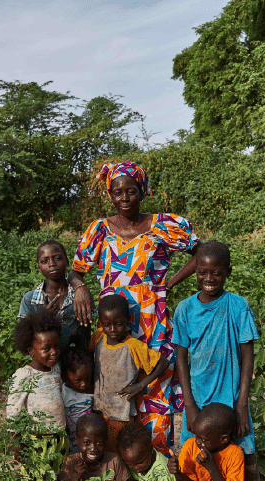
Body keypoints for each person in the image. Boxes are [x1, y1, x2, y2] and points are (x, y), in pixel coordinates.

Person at [70, 161, 199, 455]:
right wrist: (80, 288)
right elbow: (76, 270)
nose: (124, 198)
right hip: (112, 320)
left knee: (153, 386)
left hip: (151, 321)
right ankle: (116, 470)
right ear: (110, 195)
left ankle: (155, 470)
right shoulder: (100, 230)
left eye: (131, 191)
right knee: (114, 386)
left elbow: (201, 251)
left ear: (142, 191)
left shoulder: (165, 225)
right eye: (117, 192)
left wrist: (169, 284)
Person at [172, 240, 265, 481]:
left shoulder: (237, 306)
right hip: (199, 396)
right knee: (192, 457)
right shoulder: (184, 310)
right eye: (202, 272)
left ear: (228, 273)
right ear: (194, 271)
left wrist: (241, 403)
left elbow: (248, 355)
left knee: (248, 455)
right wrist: (190, 406)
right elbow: (180, 358)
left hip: (230, 396)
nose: (209, 279)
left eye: (217, 273)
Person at [91, 295, 169, 453]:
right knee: (101, 451)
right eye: (107, 324)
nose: (112, 329)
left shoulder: (133, 346)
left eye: (118, 324)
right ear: (101, 323)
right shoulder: (98, 337)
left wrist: (140, 385)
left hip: (120, 413)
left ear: (127, 321)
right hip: (99, 409)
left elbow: (163, 363)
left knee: (117, 452)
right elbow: (88, 355)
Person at [20, 240, 88, 351]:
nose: (51, 264)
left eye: (57, 258)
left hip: (76, 361)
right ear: (39, 267)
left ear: (67, 262)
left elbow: (86, 333)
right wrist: (44, 317)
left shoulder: (80, 295)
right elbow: (24, 337)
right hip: (46, 363)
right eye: (44, 261)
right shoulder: (30, 299)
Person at [5, 308, 65, 433]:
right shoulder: (24, 375)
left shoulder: (56, 371)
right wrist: (16, 441)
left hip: (58, 437)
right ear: (30, 350)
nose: (54, 352)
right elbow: (13, 410)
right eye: (46, 349)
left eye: (56, 346)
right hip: (36, 438)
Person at [61, 346, 94, 452]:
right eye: (78, 381)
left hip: (87, 439)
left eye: (87, 379)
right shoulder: (63, 392)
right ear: (65, 377)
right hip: (68, 438)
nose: (84, 384)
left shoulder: (92, 391)